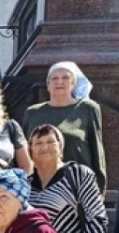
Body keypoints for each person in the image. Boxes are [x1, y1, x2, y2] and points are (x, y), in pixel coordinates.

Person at [23, 61, 106, 192]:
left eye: (65, 78)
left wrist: (100, 187)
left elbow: (97, 150)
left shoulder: (87, 108)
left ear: (73, 83)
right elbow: (25, 152)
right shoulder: (32, 113)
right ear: (48, 85)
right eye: (54, 78)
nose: (59, 82)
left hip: (78, 186)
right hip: (40, 187)